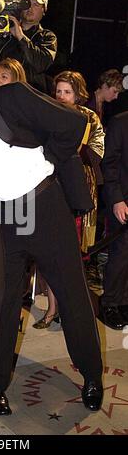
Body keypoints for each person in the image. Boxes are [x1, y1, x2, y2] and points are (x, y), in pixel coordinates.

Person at [0, 57, 103, 415]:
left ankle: (92, 376)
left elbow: (74, 123)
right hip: (5, 217)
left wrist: (48, 156)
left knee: (72, 295)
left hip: (44, 206)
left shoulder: (10, 96)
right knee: (3, 302)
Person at [33, 70, 105, 329]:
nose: (62, 96)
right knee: (50, 253)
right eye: (59, 91)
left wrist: (69, 148)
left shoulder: (89, 118)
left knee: (73, 258)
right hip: (49, 186)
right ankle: (52, 309)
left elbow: (97, 151)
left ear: (78, 94)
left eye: (67, 92)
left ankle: (75, 315)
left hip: (77, 190)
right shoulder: (47, 113)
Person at [0, 0, 57, 94]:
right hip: (1, 93)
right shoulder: (5, 30)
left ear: (44, 10)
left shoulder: (47, 36)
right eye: (27, 3)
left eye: (36, 5)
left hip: (29, 97)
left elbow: (41, 64)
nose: (30, 8)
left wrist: (21, 37)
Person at [99, 112, 128, 330]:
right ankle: (109, 303)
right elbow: (109, 163)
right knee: (121, 253)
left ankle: (124, 301)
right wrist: (117, 199)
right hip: (123, 200)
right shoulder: (120, 122)